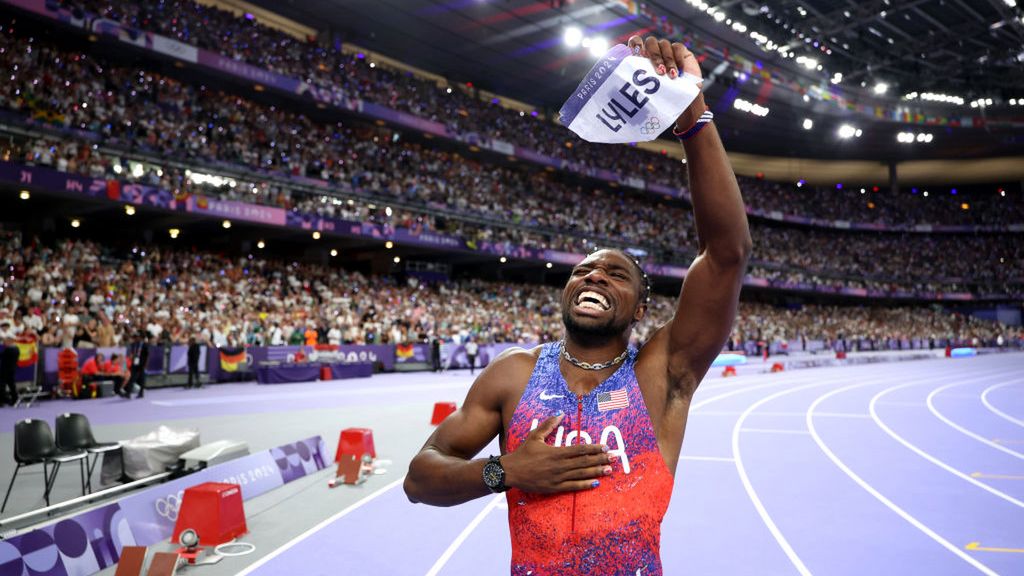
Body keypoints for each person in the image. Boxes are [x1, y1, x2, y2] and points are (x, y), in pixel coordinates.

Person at [404, 35, 751, 576]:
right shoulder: (512, 375)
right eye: (583, 270)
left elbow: (727, 254)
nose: (594, 275)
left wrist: (692, 119)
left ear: (640, 310)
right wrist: (506, 472)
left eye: (616, 274)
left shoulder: (664, 373)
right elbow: (419, 478)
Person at [121, 332, 150, 399]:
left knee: (142, 379)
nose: (136, 338)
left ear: (141, 338)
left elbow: (148, 355)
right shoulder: (133, 344)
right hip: (135, 363)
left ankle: (141, 393)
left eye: (138, 337)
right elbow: (131, 352)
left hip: (142, 364)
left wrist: (146, 364)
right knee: (132, 378)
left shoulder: (145, 345)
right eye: (136, 337)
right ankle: (128, 393)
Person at [0, 321, 19, 406]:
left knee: (6, 382)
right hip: (10, 365)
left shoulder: (9, 349)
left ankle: (9, 400)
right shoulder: (16, 349)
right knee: (8, 383)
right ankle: (10, 399)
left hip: (6, 367)